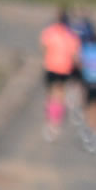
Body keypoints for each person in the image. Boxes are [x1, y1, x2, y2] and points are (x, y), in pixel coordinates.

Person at [40, 9, 81, 143]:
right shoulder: (71, 36)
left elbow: (44, 47)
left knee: (51, 94)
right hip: (64, 69)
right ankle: (55, 122)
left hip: (50, 66)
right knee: (59, 95)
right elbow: (75, 56)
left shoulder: (49, 31)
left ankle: (51, 120)